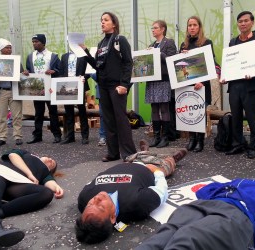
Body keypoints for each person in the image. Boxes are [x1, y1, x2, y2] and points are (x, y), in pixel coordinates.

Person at [136, 175, 255, 250]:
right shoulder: (237, 183)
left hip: (240, 215)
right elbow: (203, 191)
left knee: (189, 237)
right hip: (205, 206)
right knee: (164, 235)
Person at [76, 140, 187, 244]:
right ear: (112, 218)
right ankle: (173, 159)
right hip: (151, 168)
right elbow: (161, 190)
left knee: (140, 155)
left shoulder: (84, 198)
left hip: (130, 161)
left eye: (90, 204)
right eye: (101, 207)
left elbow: (93, 180)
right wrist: (157, 172)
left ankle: (145, 151)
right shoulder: (137, 204)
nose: (97, 199)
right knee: (166, 165)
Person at [0, 149, 64, 249]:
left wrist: (57, 188)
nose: (51, 160)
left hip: (18, 183)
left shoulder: (45, 173)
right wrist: (29, 174)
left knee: (45, 193)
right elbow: (13, 155)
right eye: (49, 158)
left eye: (53, 164)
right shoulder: (28, 154)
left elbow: (50, 183)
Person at [82, 12, 136, 162]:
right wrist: (85, 51)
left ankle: (129, 153)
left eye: (106, 20)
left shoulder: (120, 40)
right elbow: (97, 65)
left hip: (116, 86)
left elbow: (128, 63)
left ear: (114, 23)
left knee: (121, 119)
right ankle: (113, 153)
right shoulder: (101, 44)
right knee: (108, 120)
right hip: (103, 86)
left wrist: (124, 84)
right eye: (101, 21)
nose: (102, 23)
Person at [220, 11, 255, 159]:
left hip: (251, 86)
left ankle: (253, 147)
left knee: (253, 118)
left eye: (246, 21)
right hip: (234, 86)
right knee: (236, 117)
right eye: (240, 21)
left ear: (252, 22)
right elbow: (229, 64)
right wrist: (225, 77)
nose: (243, 24)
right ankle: (237, 144)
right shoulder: (233, 42)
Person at [180, 16, 221, 153]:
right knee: (189, 112)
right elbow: (180, 67)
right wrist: (182, 55)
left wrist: (202, 81)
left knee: (200, 112)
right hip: (188, 84)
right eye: (189, 25)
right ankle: (191, 139)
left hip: (202, 84)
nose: (191, 27)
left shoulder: (206, 43)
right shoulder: (183, 45)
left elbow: (211, 64)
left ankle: (199, 140)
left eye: (194, 25)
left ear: (199, 27)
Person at [24, 34, 62, 144]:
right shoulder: (30, 56)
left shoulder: (53, 56)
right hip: (37, 88)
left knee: (52, 112)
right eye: (33, 42)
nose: (34, 43)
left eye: (36, 41)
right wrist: (27, 72)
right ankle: (37, 135)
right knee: (38, 112)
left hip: (50, 88)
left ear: (43, 43)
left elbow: (60, 70)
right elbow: (29, 70)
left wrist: (53, 71)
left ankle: (57, 135)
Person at [146, 20, 177, 149]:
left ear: (163, 29)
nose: (153, 30)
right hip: (152, 80)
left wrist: (157, 53)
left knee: (164, 109)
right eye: (152, 28)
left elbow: (171, 60)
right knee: (154, 109)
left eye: (155, 28)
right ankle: (156, 136)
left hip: (164, 79)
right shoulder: (151, 44)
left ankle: (165, 137)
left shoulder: (169, 43)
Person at [0, 38, 24, 147]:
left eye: (10, 47)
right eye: (7, 47)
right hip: (1, 92)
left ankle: (18, 136)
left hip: (14, 91)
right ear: (1, 49)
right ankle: (1, 137)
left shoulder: (16, 61)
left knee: (17, 115)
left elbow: (22, 75)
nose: (9, 49)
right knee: (1, 116)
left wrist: (25, 73)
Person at [59, 49, 90, 145]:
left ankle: (85, 136)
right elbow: (61, 71)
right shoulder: (64, 56)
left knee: (82, 111)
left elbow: (89, 71)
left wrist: (84, 77)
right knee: (68, 112)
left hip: (79, 85)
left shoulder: (83, 55)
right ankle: (70, 136)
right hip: (67, 86)